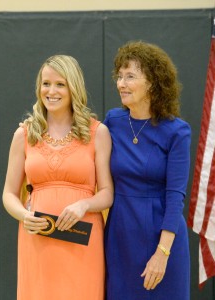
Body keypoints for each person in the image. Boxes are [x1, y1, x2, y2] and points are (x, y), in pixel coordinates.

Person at [2, 55, 113, 300]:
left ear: (74, 87)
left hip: (84, 240)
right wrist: (24, 215)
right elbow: (9, 193)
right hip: (37, 240)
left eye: (60, 84)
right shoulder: (24, 134)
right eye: (46, 84)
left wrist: (84, 204)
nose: (51, 91)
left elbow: (107, 193)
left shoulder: (98, 132)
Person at [104, 41, 191, 299]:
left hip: (162, 237)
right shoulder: (112, 122)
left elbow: (175, 197)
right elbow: (75, 139)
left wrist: (162, 253)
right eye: (119, 76)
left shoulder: (177, 131)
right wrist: (37, 128)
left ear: (152, 83)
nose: (121, 84)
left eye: (130, 76)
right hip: (120, 236)